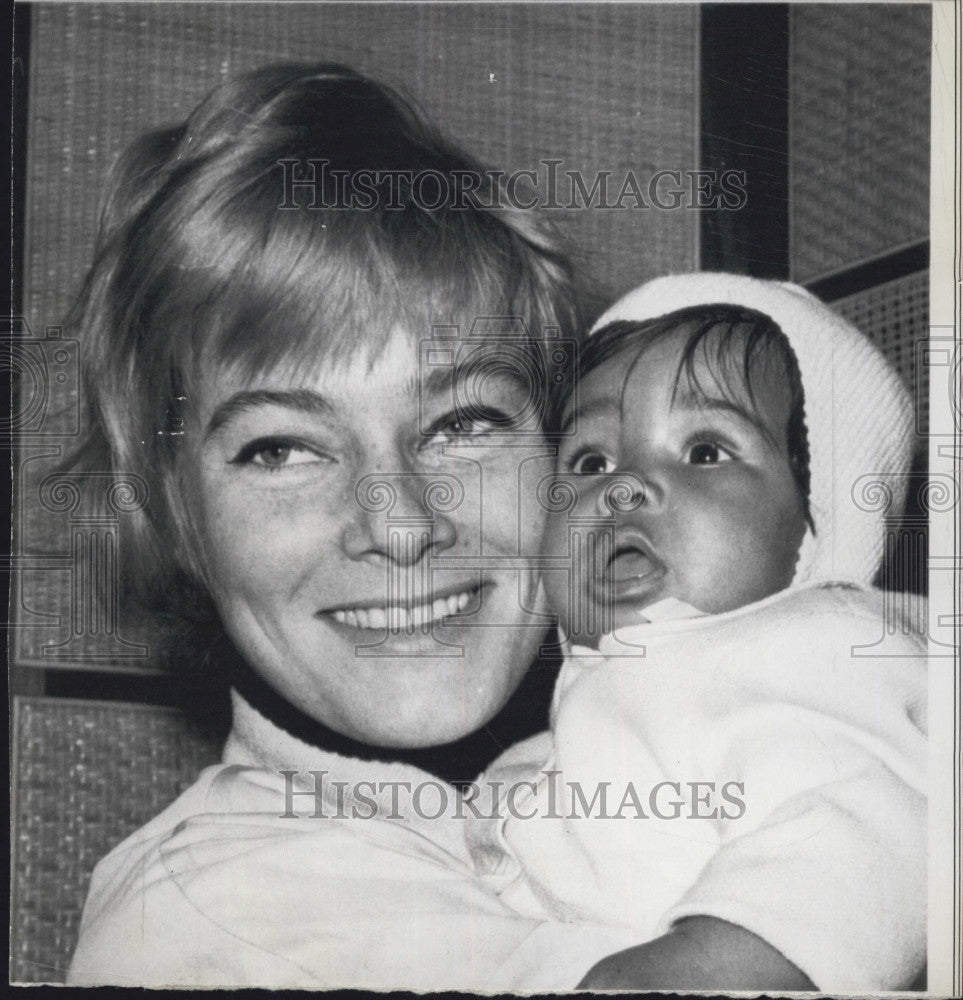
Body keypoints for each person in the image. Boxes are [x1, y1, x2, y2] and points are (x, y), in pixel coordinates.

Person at [65, 62, 641, 989]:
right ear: (176, 517)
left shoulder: (649, 764)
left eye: (462, 425)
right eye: (283, 449)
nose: (402, 524)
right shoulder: (210, 916)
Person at [472, 273, 927, 991]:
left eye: (705, 451)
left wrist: (715, 960)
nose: (623, 486)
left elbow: (883, 831)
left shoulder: (822, 655)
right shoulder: (547, 750)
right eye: (589, 461)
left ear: (818, 523)